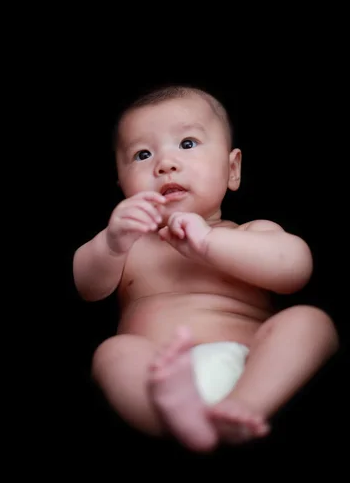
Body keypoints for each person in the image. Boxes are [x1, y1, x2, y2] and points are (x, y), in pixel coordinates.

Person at [73, 84, 339, 453]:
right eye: (142, 154)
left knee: (311, 321)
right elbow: (87, 287)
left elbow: (295, 270)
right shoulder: (127, 245)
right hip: (159, 374)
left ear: (232, 170)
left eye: (187, 144)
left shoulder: (247, 233)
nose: (164, 164)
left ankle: (244, 405)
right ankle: (176, 420)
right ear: (122, 187)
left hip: (251, 363)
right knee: (113, 353)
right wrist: (111, 241)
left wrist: (210, 244)